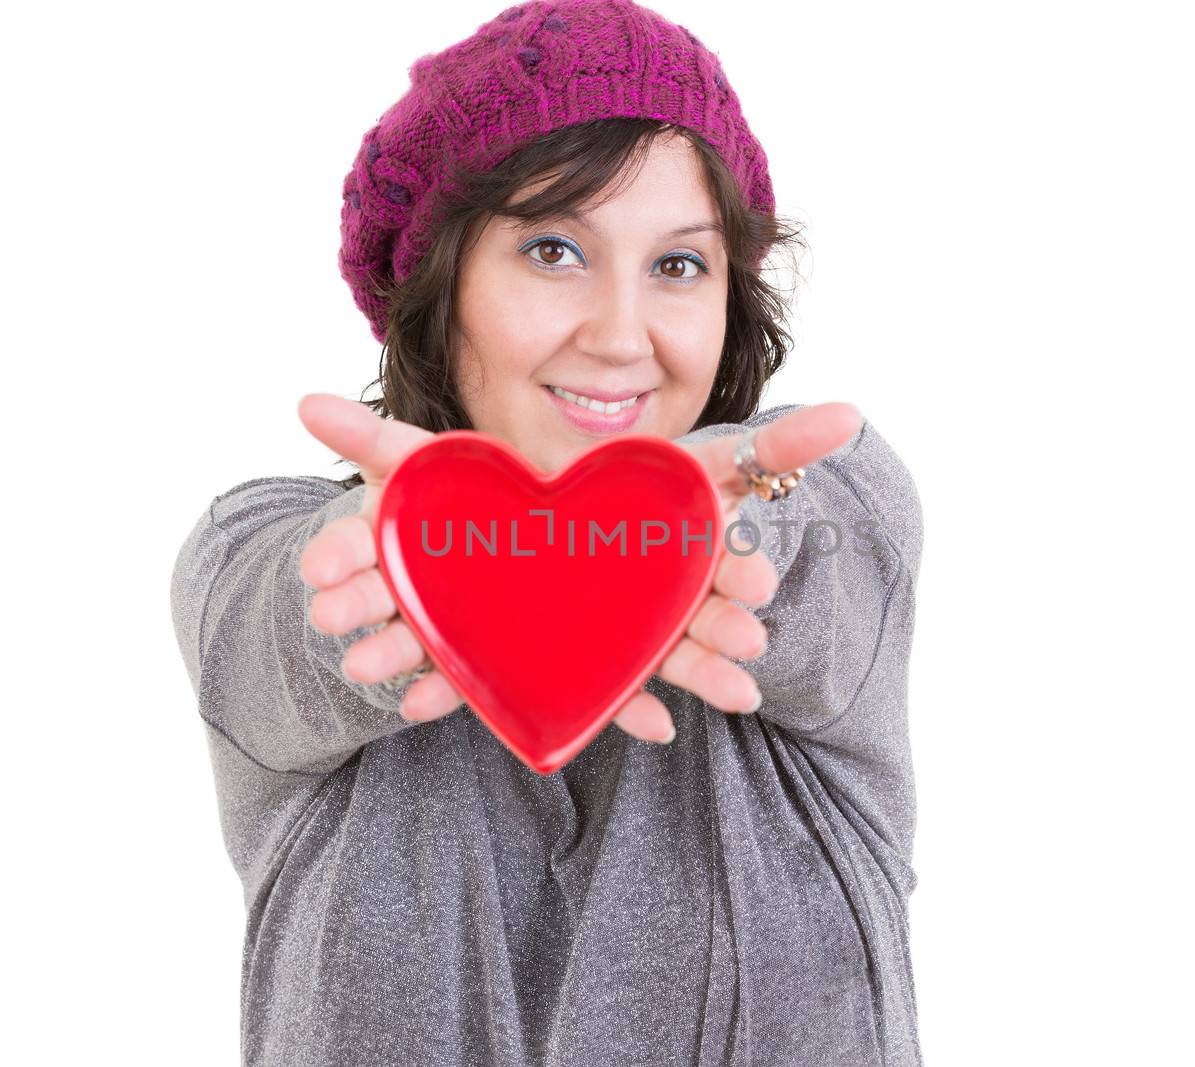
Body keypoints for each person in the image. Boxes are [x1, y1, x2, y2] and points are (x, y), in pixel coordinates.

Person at [168, 1, 926, 1064]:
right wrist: (404, 562)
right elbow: (275, 625)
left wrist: (721, 534)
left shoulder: (826, 493)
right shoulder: (248, 546)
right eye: (554, 248)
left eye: (677, 266)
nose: (621, 337)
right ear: (441, 284)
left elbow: (823, 551)